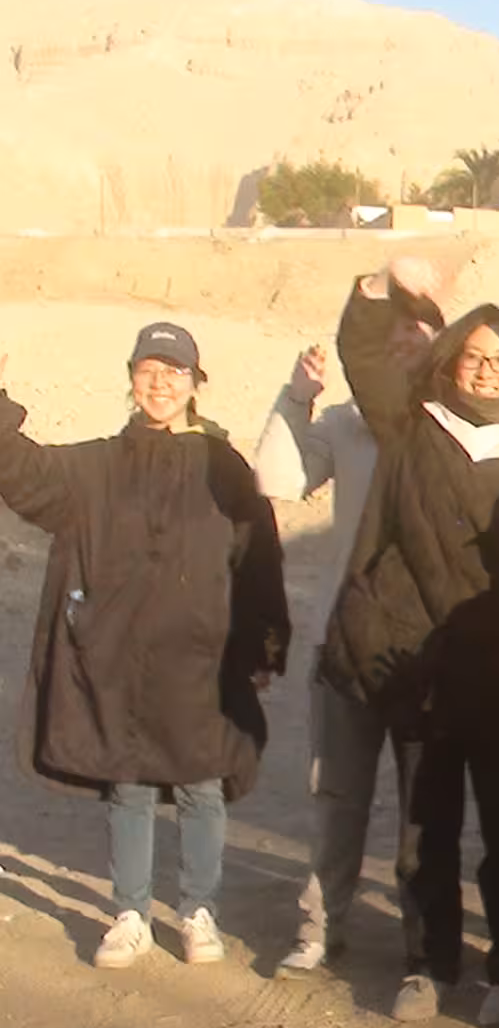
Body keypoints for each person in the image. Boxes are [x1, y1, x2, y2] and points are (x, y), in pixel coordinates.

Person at [322, 279, 499, 1028]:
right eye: (472, 356)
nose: (485, 370)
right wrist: (377, 293)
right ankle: (427, 963)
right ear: (449, 360)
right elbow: (365, 356)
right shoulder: (412, 428)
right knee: (422, 836)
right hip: (422, 668)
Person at [0, 325, 289, 968]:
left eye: (175, 371)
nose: (161, 383)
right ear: (131, 377)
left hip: (201, 660)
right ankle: (129, 913)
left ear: (195, 382)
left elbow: (258, 557)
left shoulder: (223, 465)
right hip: (119, 658)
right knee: (127, 784)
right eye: (149, 370)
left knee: (199, 785)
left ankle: (198, 912)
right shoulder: (96, 465)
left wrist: (264, 644)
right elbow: (24, 472)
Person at [259, 261, 445, 978]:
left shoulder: (445, 431)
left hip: (424, 648)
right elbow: (275, 479)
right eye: (392, 334)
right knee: (336, 794)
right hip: (343, 641)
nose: (403, 347)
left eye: (416, 336)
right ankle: (321, 923)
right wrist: (296, 399)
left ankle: (421, 948)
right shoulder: (345, 424)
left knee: (422, 806)